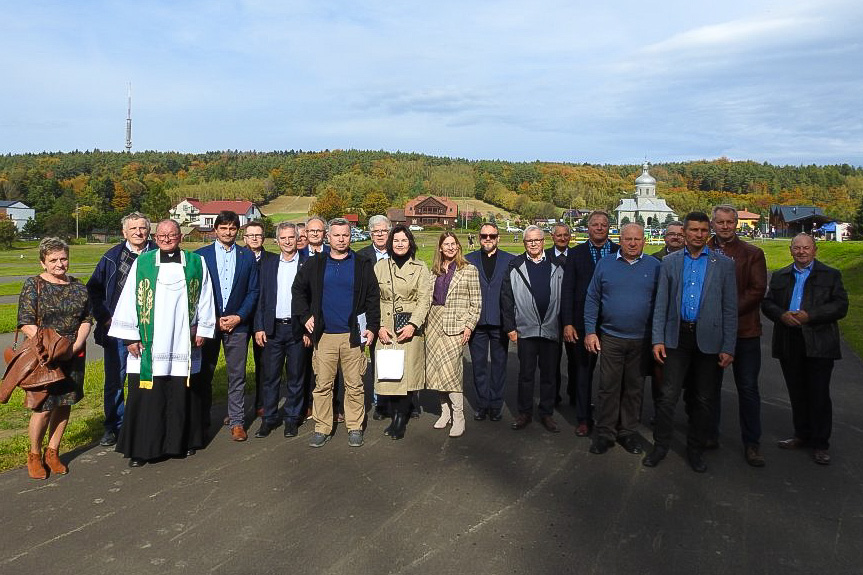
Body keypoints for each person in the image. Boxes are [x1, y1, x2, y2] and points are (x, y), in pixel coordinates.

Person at [109, 220, 216, 467]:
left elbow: (205, 297)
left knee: (182, 392)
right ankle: (142, 449)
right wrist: (130, 336)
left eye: (172, 235)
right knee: (147, 396)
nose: (167, 239)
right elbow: (128, 299)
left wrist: (203, 328)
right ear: (155, 238)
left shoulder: (196, 262)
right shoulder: (143, 263)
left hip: (181, 340)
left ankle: (182, 442)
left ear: (180, 236)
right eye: (162, 235)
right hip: (150, 344)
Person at [645, 212, 737, 473]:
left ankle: (695, 448)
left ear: (709, 232)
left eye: (703, 230)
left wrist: (728, 346)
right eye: (693, 230)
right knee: (667, 396)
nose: (698, 234)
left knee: (704, 398)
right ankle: (661, 445)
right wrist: (657, 339)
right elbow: (661, 303)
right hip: (677, 337)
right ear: (684, 232)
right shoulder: (670, 262)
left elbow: (729, 308)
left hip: (709, 338)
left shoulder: (724, 264)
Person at [292, 217, 380, 448]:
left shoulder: (361, 264)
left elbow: (372, 298)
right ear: (328, 237)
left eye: (346, 235)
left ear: (350, 237)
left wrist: (372, 327)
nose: (341, 239)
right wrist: (305, 317)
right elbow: (298, 291)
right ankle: (322, 427)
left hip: (352, 335)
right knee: (322, 385)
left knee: (354, 384)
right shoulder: (315, 264)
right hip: (325, 336)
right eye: (337, 235)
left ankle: (354, 426)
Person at [762, 234, 848, 465]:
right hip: (789, 339)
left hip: (819, 341)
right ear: (791, 251)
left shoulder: (830, 275)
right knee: (796, 391)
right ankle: (801, 434)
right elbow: (768, 303)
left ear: (815, 250)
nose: (801, 252)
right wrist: (781, 315)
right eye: (797, 248)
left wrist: (811, 316)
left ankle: (820, 443)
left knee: (818, 393)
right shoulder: (781, 275)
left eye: (806, 248)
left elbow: (841, 306)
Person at [18, 238, 93, 479]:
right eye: (53, 260)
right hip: (45, 355)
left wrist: (77, 344)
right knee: (43, 406)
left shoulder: (79, 287)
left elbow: (86, 319)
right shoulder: (34, 285)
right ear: (43, 262)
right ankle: (34, 455)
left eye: (63, 258)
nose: (60, 264)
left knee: (64, 403)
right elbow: (25, 323)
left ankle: (53, 451)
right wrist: (50, 345)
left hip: (72, 354)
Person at [583, 224, 660, 455]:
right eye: (628, 239)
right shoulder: (605, 264)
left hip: (641, 339)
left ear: (644, 241)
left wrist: (658, 338)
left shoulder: (655, 267)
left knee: (634, 389)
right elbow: (592, 299)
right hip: (612, 337)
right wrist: (590, 331)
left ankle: (628, 433)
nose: (633, 243)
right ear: (620, 239)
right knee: (608, 387)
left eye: (637, 239)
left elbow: (661, 305)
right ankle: (605, 433)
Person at [87, 212, 156, 447]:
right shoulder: (112, 257)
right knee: (116, 380)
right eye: (133, 228)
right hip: (116, 331)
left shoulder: (159, 254)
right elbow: (93, 290)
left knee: (147, 378)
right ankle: (114, 426)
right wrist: (105, 318)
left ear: (149, 231)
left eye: (142, 228)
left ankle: (143, 424)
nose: (138, 232)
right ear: (124, 232)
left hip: (150, 330)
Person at [707, 205, 768, 467]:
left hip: (745, 331)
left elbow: (756, 290)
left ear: (736, 224)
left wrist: (726, 313)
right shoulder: (703, 251)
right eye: (720, 222)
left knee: (747, 388)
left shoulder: (752, 253)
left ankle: (751, 442)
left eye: (729, 222)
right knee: (709, 387)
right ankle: (710, 434)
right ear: (712, 224)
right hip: (710, 331)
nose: (725, 226)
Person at [196, 210, 260, 442]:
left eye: (232, 228)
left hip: (237, 326)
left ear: (237, 231)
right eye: (223, 228)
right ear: (215, 230)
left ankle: (237, 422)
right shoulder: (200, 256)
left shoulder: (246, 257)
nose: (228, 232)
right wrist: (211, 317)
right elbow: (196, 294)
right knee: (203, 375)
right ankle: (202, 423)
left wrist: (239, 317)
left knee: (237, 375)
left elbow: (253, 291)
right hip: (208, 325)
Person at [561, 210, 620, 436]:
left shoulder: (618, 252)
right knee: (583, 371)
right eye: (595, 224)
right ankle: (584, 418)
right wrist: (568, 322)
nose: (599, 228)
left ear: (608, 227)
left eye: (603, 224)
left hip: (612, 323)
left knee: (612, 375)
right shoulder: (576, 254)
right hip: (582, 323)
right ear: (588, 227)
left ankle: (611, 418)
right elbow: (567, 290)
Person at [501, 226, 564, 433]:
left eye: (537, 240)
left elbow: (566, 297)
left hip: (550, 329)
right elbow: (506, 298)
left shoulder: (558, 264)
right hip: (526, 330)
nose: (534, 244)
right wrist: (510, 326)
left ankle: (546, 413)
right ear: (524, 243)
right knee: (526, 375)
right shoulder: (515, 265)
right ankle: (524, 413)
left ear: (544, 241)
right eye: (529, 241)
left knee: (548, 375)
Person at [373, 225, 432, 440]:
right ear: (390, 243)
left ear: (410, 243)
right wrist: (378, 326)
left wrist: (413, 325)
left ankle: (400, 419)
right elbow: (373, 299)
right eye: (396, 240)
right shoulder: (380, 267)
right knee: (391, 374)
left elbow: (425, 299)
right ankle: (396, 413)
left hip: (409, 328)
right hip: (386, 326)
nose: (399, 244)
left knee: (406, 375)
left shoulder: (420, 267)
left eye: (404, 240)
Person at [253, 222, 309, 439]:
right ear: (277, 241)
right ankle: (269, 418)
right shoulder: (268, 264)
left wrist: (308, 331)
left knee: (296, 376)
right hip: (272, 329)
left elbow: (313, 300)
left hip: (297, 330)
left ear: (298, 239)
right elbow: (261, 298)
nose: (287, 242)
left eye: (291, 238)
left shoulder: (307, 263)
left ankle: (292, 418)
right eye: (283, 238)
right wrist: (259, 326)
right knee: (270, 377)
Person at [426, 232, 481, 438]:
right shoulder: (434, 271)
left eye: (453, 244)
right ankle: (445, 412)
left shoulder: (469, 270)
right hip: (433, 325)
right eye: (446, 244)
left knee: (451, 372)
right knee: (437, 371)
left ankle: (459, 416)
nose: (450, 247)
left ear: (458, 247)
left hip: (455, 326)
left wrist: (469, 326)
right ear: (440, 248)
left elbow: (476, 303)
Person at [465, 222, 515, 422]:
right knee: (479, 366)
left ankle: (496, 404)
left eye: (492, 236)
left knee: (499, 365)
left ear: (498, 238)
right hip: (477, 323)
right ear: (479, 238)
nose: (488, 239)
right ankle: (482, 403)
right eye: (484, 236)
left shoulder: (510, 260)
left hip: (500, 322)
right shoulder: (468, 260)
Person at [357, 214, 392, 421]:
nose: (380, 235)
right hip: (371, 314)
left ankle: (403, 399)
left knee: (398, 357)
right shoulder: (362, 256)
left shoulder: (398, 251)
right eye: (376, 232)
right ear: (370, 234)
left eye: (383, 231)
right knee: (377, 358)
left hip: (395, 314)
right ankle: (380, 401)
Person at [243, 221, 276, 419]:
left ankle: (262, 404)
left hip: (262, 319)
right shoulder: (237, 257)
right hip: (240, 318)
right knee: (237, 369)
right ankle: (235, 410)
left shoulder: (272, 259)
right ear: (245, 237)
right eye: (251, 235)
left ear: (263, 238)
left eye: (258, 235)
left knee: (264, 364)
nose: (255, 238)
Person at [546, 223, 571, 404]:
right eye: (558, 235)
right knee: (552, 360)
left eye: (565, 235)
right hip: (551, 316)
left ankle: (575, 395)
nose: (562, 238)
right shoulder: (544, 257)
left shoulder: (577, 256)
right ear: (552, 237)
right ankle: (553, 395)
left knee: (575, 360)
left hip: (571, 316)